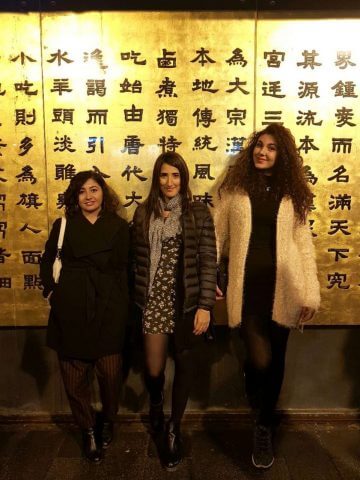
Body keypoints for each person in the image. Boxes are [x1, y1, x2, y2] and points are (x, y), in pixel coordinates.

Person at [214, 124, 320, 469]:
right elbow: (216, 235)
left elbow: (303, 246)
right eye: (259, 146)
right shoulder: (235, 188)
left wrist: (309, 293)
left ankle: (263, 424)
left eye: (272, 148)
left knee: (277, 360)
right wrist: (211, 274)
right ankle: (261, 412)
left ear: (282, 154)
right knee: (259, 359)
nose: (263, 152)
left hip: (284, 288)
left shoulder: (293, 194)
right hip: (247, 289)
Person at [131, 151, 217, 470]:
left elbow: (208, 261)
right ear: (156, 179)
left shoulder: (196, 213)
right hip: (153, 301)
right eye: (164, 175)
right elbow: (134, 262)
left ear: (184, 178)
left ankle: (173, 428)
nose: (170, 182)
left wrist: (205, 306)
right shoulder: (143, 213)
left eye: (176, 175)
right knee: (154, 370)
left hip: (185, 302)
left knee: (184, 364)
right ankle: (156, 402)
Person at [40, 171, 129, 463]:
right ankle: (88, 429)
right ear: (74, 197)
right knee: (74, 378)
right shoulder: (64, 225)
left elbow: (127, 267)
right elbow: (47, 262)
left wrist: (125, 307)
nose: (88, 196)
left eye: (94, 189)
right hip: (71, 307)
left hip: (109, 307)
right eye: (81, 191)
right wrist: (53, 294)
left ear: (104, 193)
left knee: (111, 375)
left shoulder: (118, 226)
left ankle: (107, 419)